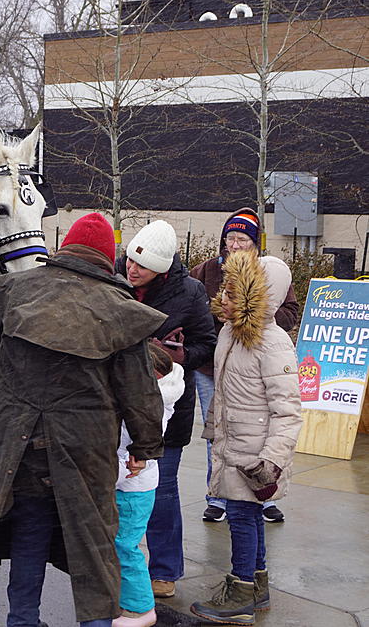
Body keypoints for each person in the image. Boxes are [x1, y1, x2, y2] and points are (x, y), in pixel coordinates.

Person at [0, 212, 167, 627]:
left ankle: (21, 620)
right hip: (84, 446)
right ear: (109, 260)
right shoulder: (120, 310)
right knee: (93, 541)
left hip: (17, 440)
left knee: (30, 531)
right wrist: (144, 447)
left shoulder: (15, 289)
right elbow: (139, 393)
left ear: (65, 247)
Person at [190, 252, 302, 625]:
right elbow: (224, 392)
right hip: (232, 445)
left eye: (235, 294)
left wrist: (271, 459)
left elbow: (287, 410)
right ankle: (257, 585)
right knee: (248, 516)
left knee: (242, 516)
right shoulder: (230, 333)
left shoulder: (273, 343)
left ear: (261, 299)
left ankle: (239, 592)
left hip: (255, 454)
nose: (224, 298)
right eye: (225, 290)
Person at [115, 220, 216, 599]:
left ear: (162, 267)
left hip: (166, 409)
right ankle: (118, 561)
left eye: (141, 266)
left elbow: (208, 343)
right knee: (116, 488)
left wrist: (181, 356)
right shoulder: (116, 280)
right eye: (129, 260)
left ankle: (165, 569)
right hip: (117, 406)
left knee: (163, 490)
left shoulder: (190, 292)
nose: (131, 268)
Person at [190, 208, 298, 525]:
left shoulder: (268, 275)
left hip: (256, 366)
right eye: (230, 238)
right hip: (215, 367)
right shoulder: (206, 270)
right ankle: (217, 495)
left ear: (254, 245)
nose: (235, 245)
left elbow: (289, 313)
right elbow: (193, 309)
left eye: (242, 239)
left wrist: (253, 316)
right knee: (221, 433)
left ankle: (264, 496)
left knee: (258, 431)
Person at [113, 342, 182, 627]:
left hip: (131, 487)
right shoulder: (155, 397)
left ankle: (140, 609)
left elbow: (126, 449)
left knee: (125, 547)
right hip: (133, 484)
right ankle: (126, 601)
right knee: (121, 546)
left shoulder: (147, 405)